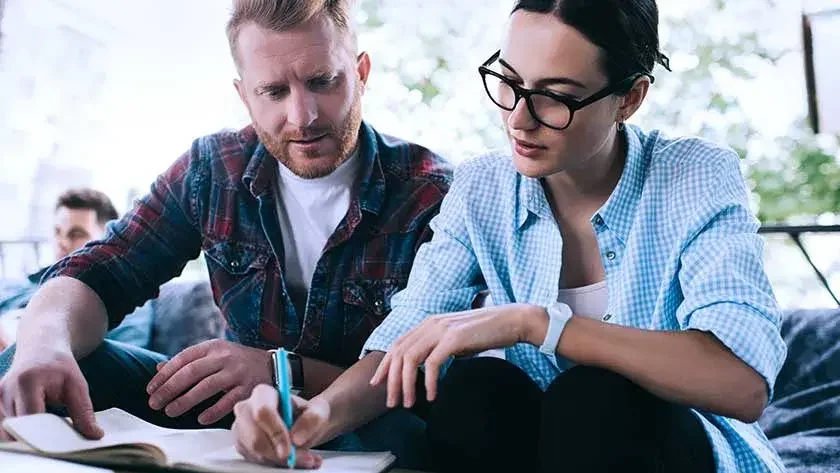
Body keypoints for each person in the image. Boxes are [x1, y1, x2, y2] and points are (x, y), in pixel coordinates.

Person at [229, 1, 787, 472]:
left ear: (630, 98)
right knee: (475, 389)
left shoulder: (694, 175)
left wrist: (536, 323)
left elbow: (741, 383)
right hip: (538, 451)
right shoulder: (481, 190)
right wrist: (314, 417)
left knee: (594, 398)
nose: (520, 118)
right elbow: (408, 338)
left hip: (660, 449)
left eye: (557, 96)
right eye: (510, 83)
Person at [0, 0, 451, 467]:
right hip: (227, 417)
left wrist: (277, 371)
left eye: (322, 81)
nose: (303, 116)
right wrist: (42, 345)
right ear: (245, 96)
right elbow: (102, 271)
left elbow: (425, 372)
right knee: (27, 367)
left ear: (361, 72)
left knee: (413, 429)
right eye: (274, 91)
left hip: (360, 422)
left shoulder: (429, 193)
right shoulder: (213, 169)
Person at [0, 188, 154, 350]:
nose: (62, 243)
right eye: (57, 232)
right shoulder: (20, 287)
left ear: (107, 241)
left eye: (76, 234)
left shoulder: (125, 304)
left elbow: (119, 368)